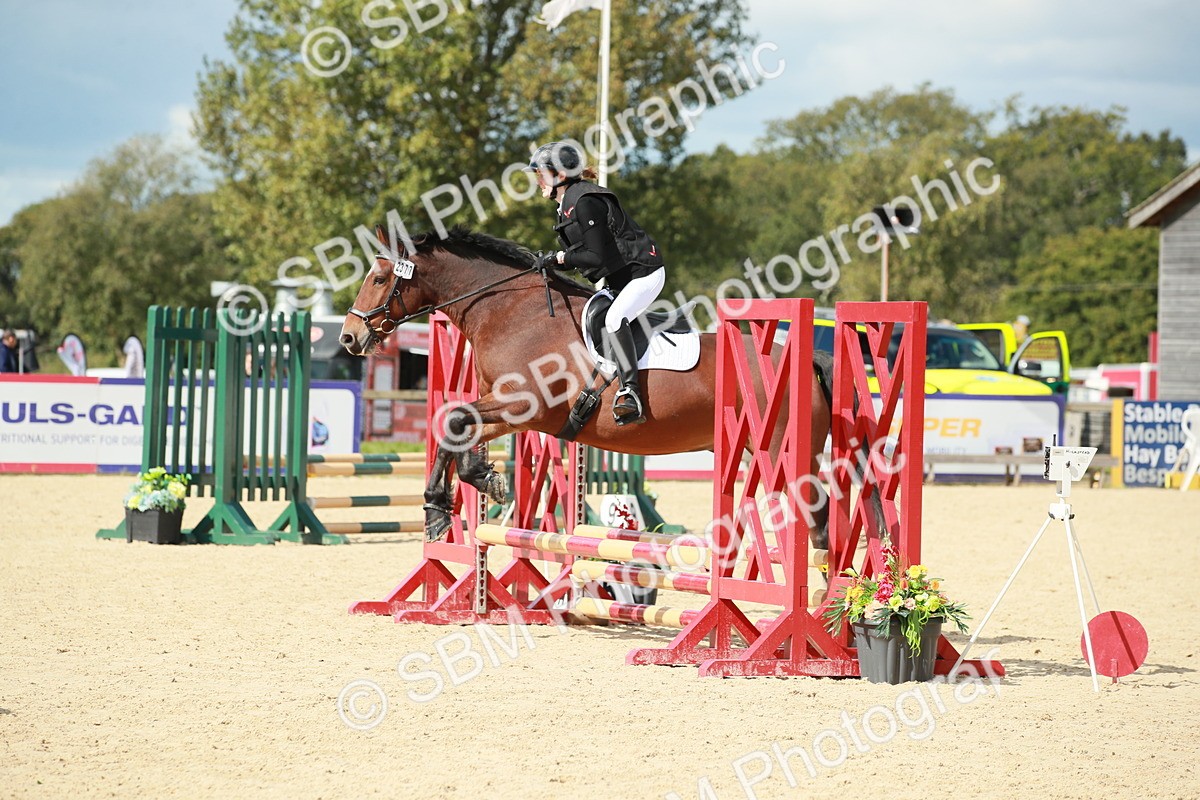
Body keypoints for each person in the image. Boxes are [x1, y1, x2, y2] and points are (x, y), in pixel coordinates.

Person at [526, 141, 665, 425]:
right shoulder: (567, 203)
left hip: (643, 273)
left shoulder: (585, 201)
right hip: (619, 279)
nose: (538, 180)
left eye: (542, 173)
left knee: (614, 319)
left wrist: (559, 258)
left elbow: (594, 254)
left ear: (560, 176)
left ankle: (630, 393)